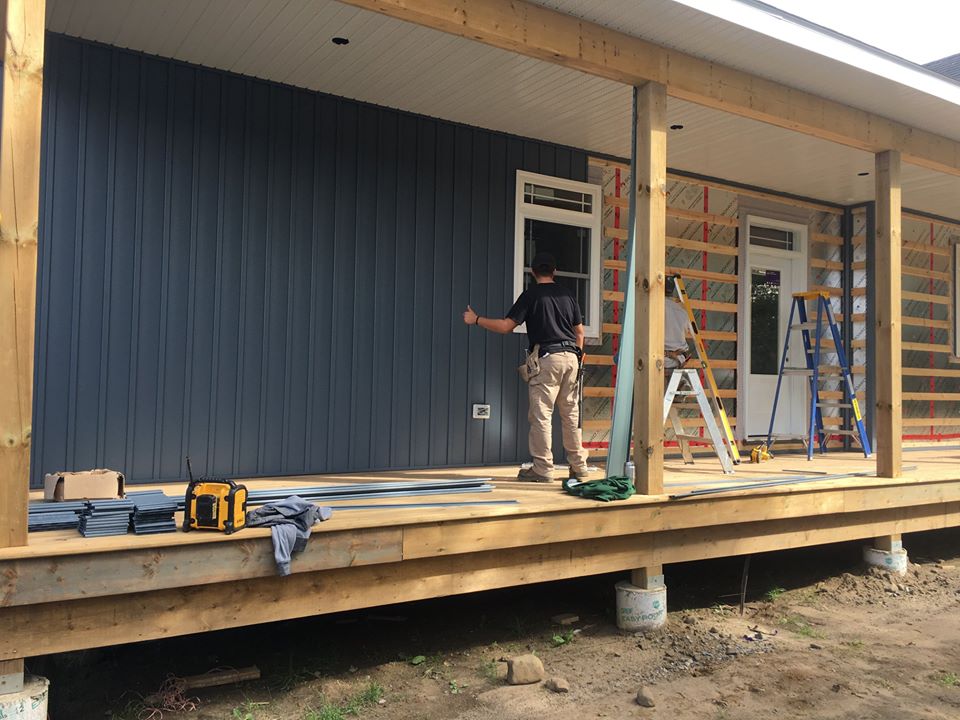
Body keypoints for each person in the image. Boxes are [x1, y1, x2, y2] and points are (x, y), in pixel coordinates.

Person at [462, 251, 590, 482]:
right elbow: (579, 333)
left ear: (533, 272)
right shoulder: (568, 295)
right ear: (554, 271)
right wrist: (578, 359)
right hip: (572, 357)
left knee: (542, 415)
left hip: (548, 357)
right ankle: (579, 468)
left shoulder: (531, 296)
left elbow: (505, 326)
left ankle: (542, 469)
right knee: (571, 415)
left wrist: (477, 319)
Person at [664, 276, 691, 370]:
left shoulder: (652, 308)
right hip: (679, 360)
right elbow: (687, 330)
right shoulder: (682, 311)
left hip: (661, 361)